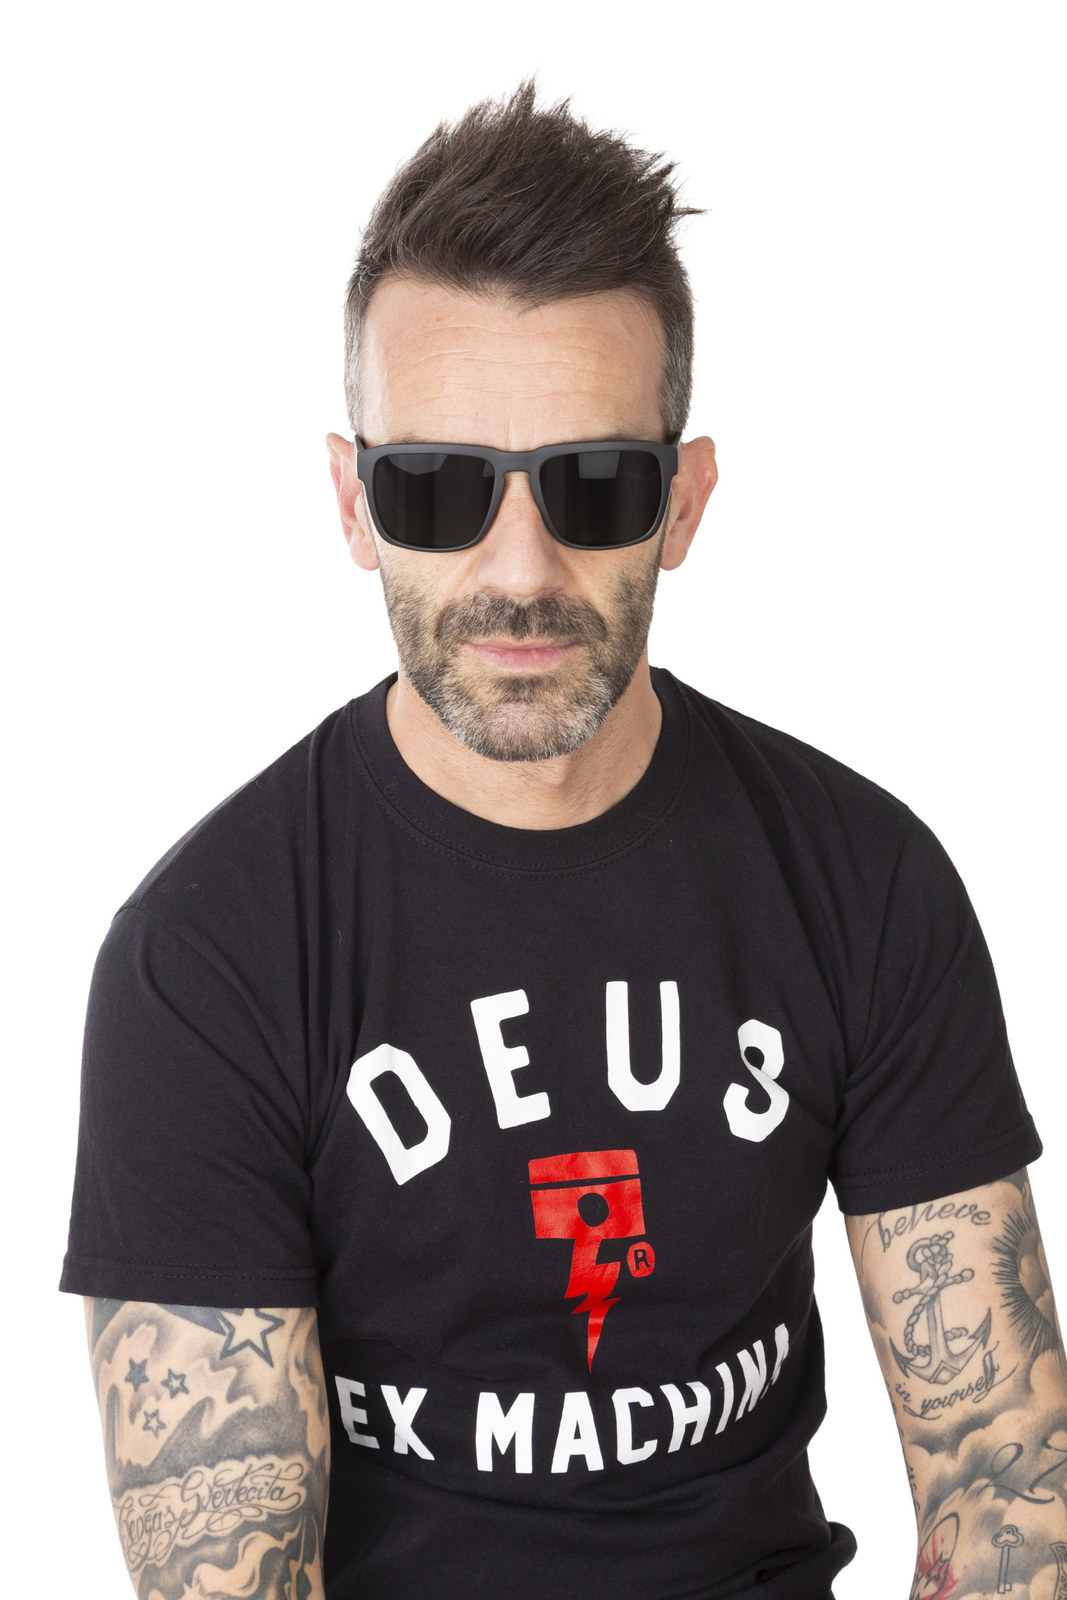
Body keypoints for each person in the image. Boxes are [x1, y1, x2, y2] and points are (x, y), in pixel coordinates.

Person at [61, 82, 1067, 1600]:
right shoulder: (209, 954)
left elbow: (1008, 1489)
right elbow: (227, 1573)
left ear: (685, 502)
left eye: (595, 485)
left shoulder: (864, 883)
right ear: (353, 504)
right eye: (438, 487)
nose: (520, 569)